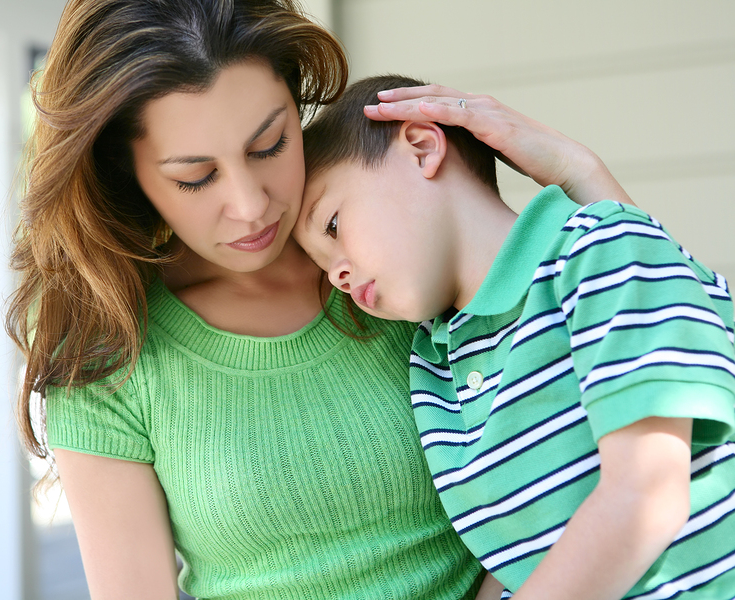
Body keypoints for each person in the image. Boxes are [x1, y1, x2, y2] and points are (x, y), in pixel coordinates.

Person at [4, 1, 640, 598]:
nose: (251, 205)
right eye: (194, 177)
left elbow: (649, 350)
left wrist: (579, 171)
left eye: (271, 144)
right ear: (128, 175)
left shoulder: (395, 262)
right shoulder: (109, 341)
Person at [293, 73, 735, 599]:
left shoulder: (600, 251)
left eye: (334, 226)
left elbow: (646, 495)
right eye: (322, 266)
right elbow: (513, 558)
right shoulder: (434, 364)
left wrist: (580, 169)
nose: (336, 276)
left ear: (420, 147)